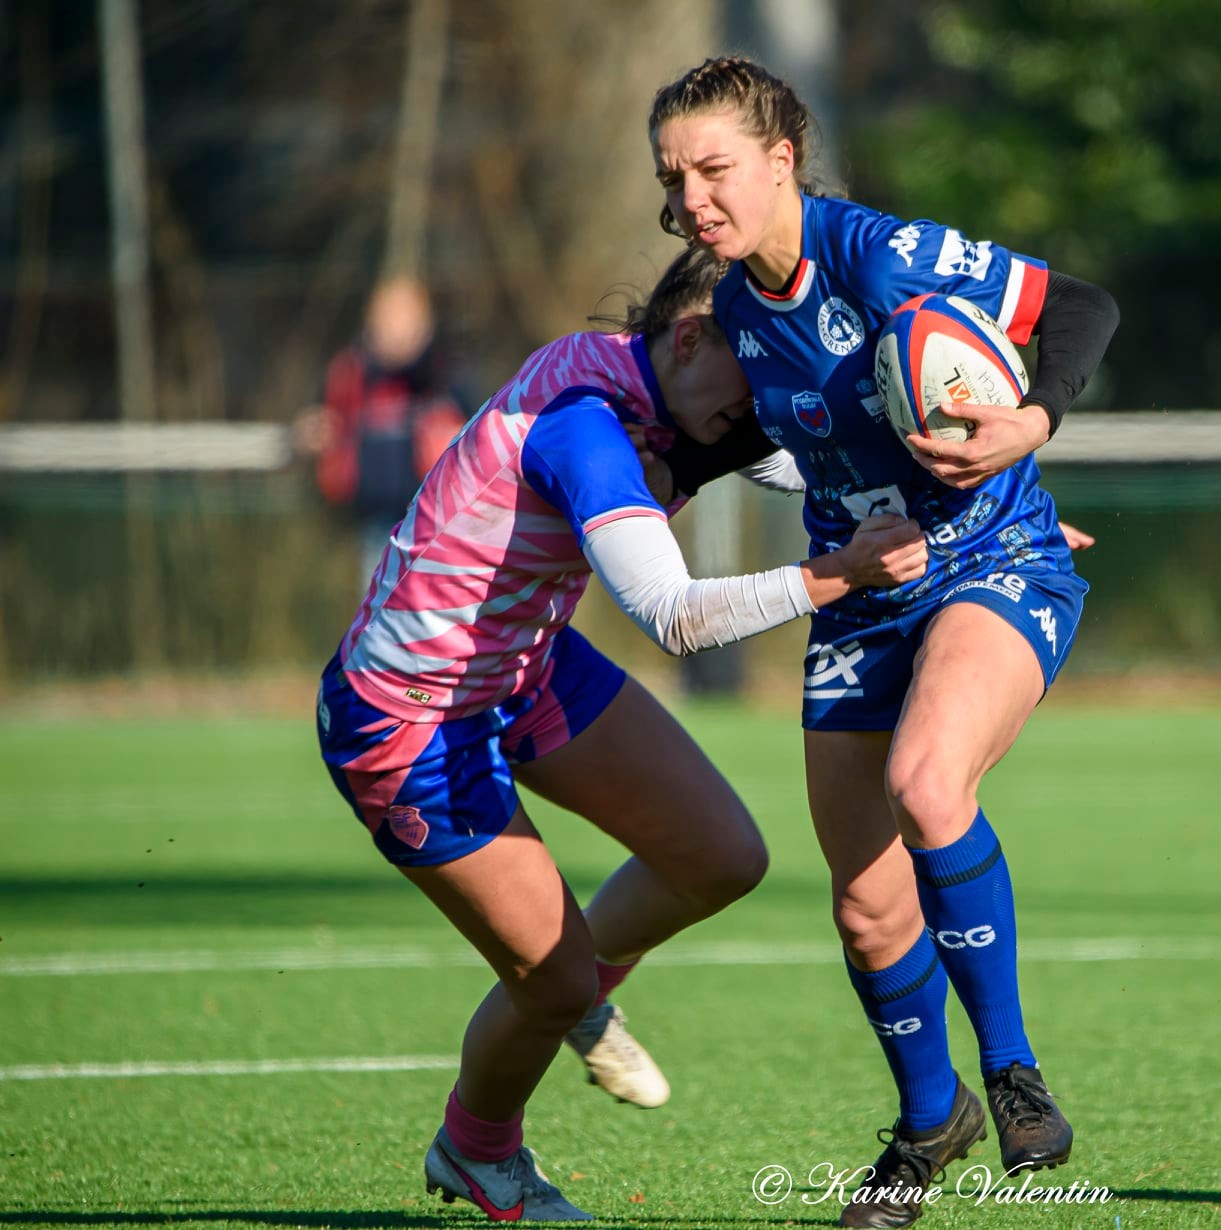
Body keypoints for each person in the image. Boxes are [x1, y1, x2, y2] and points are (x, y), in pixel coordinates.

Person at [315, 248, 928, 1223]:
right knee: (552, 984)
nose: (761, 398)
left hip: (524, 666)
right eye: (754, 369)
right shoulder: (584, 425)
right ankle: (478, 1146)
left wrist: (980, 521)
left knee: (720, 857)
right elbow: (675, 616)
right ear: (689, 340)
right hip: (410, 715)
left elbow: (804, 455)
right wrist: (840, 573)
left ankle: (567, 990)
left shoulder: (672, 388)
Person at [647, 56, 1120, 1228]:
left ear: (781, 160)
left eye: (714, 169)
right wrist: (628, 484)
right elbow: (770, 432)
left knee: (925, 784)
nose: (694, 198)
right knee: (865, 907)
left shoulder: (881, 254)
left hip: (993, 560)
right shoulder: (740, 312)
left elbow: (1082, 307)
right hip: (862, 598)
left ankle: (1013, 1076)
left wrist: (1029, 423)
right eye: (673, 178)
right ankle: (927, 1123)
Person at [295, 275, 474, 587]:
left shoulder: (448, 373)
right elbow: (317, 424)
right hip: (375, 525)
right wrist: (309, 435)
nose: (396, 330)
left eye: (405, 319)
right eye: (388, 319)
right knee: (382, 604)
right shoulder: (350, 373)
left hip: (444, 523)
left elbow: (484, 430)